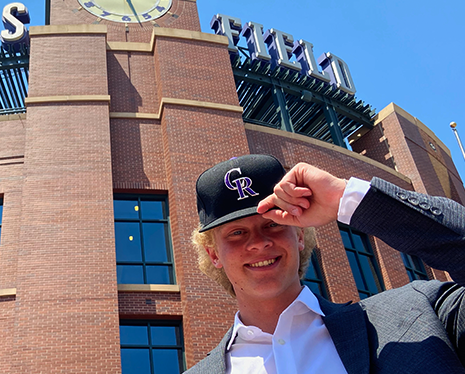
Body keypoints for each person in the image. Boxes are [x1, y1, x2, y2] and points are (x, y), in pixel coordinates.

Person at [185, 154, 465, 374]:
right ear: (213, 255)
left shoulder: (420, 311)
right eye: (236, 233)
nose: (258, 242)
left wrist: (347, 198)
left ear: (299, 236)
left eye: (273, 224)